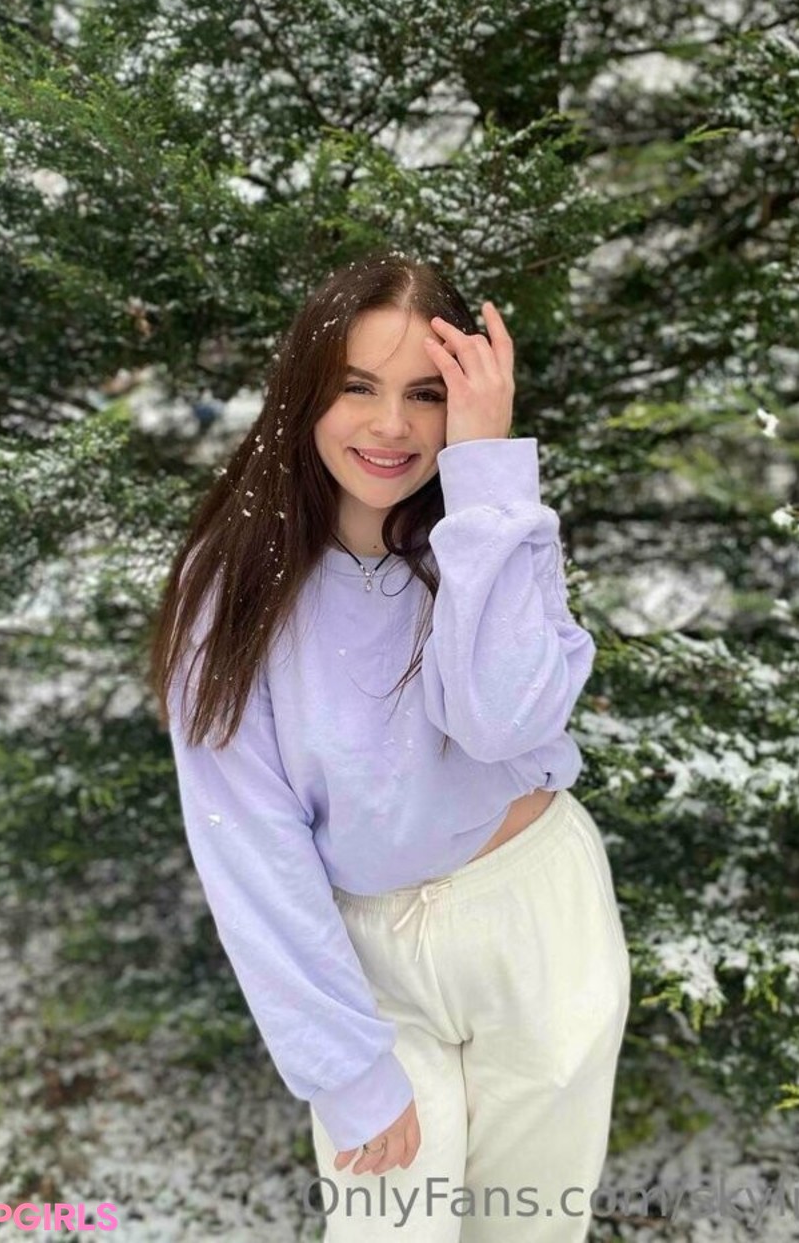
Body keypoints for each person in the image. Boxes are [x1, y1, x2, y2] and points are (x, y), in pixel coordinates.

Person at [147, 250, 631, 1241]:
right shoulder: (229, 584)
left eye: (426, 393)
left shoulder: (494, 533)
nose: (391, 425)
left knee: (529, 1229)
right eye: (357, 387)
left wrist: (489, 481)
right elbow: (250, 842)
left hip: (537, 922)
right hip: (365, 956)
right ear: (304, 393)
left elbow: (503, 722)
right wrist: (346, 1067)